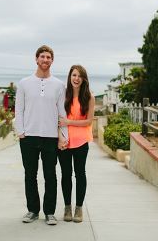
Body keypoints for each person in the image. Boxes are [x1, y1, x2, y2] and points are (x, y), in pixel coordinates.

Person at [15, 45, 69, 225]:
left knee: (50, 175)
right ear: (36, 59)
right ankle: (32, 210)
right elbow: (19, 110)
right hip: (28, 137)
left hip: (50, 138)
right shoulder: (24, 83)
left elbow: (62, 113)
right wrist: (21, 133)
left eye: (48, 57)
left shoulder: (59, 85)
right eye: (42, 57)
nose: (45, 60)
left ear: (52, 61)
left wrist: (63, 136)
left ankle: (50, 212)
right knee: (30, 175)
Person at [57, 64, 94, 223]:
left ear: (83, 79)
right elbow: (57, 120)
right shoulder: (63, 95)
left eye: (79, 76)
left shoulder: (89, 97)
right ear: (69, 77)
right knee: (66, 174)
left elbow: (89, 121)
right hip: (64, 142)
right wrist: (60, 137)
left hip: (81, 141)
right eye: (74, 75)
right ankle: (67, 207)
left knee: (80, 174)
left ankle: (79, 208)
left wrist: (69, 121)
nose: (76, 79)